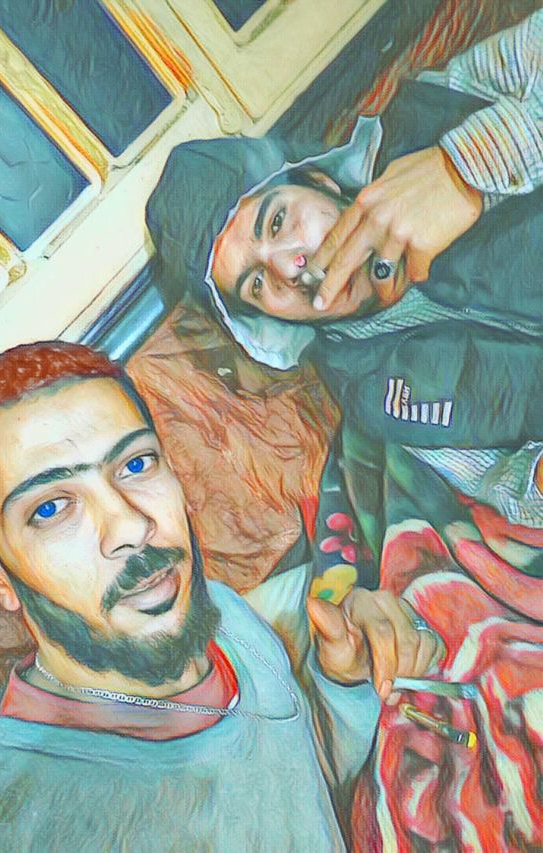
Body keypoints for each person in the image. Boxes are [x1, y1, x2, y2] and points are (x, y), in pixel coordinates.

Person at [0, 341, 441, 852]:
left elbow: (297, 790)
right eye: (50, 508)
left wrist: (343, 684)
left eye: (135, 465)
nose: (130, 526)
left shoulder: (225, 619)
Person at [145, 11, 543, 595]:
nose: (289, 266)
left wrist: (466, 169)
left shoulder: (441, 110)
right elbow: (511, 490)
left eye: (277, 221)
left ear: (322, 182)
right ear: (268, 321)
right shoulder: (376, 392)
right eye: (256, 284)